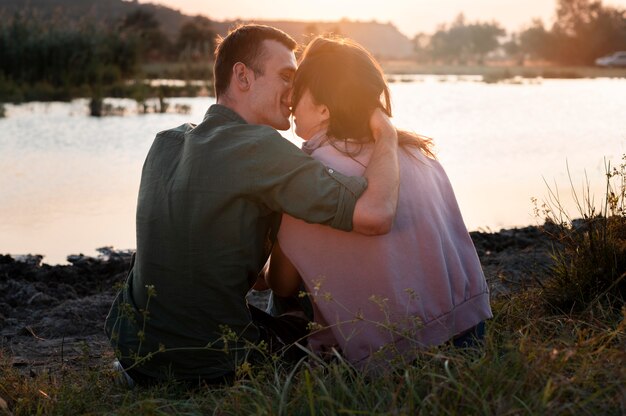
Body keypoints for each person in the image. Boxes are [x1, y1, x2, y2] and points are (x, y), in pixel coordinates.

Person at [104, 25, 400, 385]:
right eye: (286, 77)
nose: (295, 91)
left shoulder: (165, 142)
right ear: (242, 76)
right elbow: (376, 213)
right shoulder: (259, 147)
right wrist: (387, 134)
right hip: (213, 364)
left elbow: (214, 262)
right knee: (303, 299)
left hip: (135, 353)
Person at [265, 36, 492, 372]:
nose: (291, 102)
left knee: (280, 292)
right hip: (470, 333)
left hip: (395, 356)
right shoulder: (417, 154)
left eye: (299, 93)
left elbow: (281, 284)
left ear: (324, 107)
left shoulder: (310, 173)